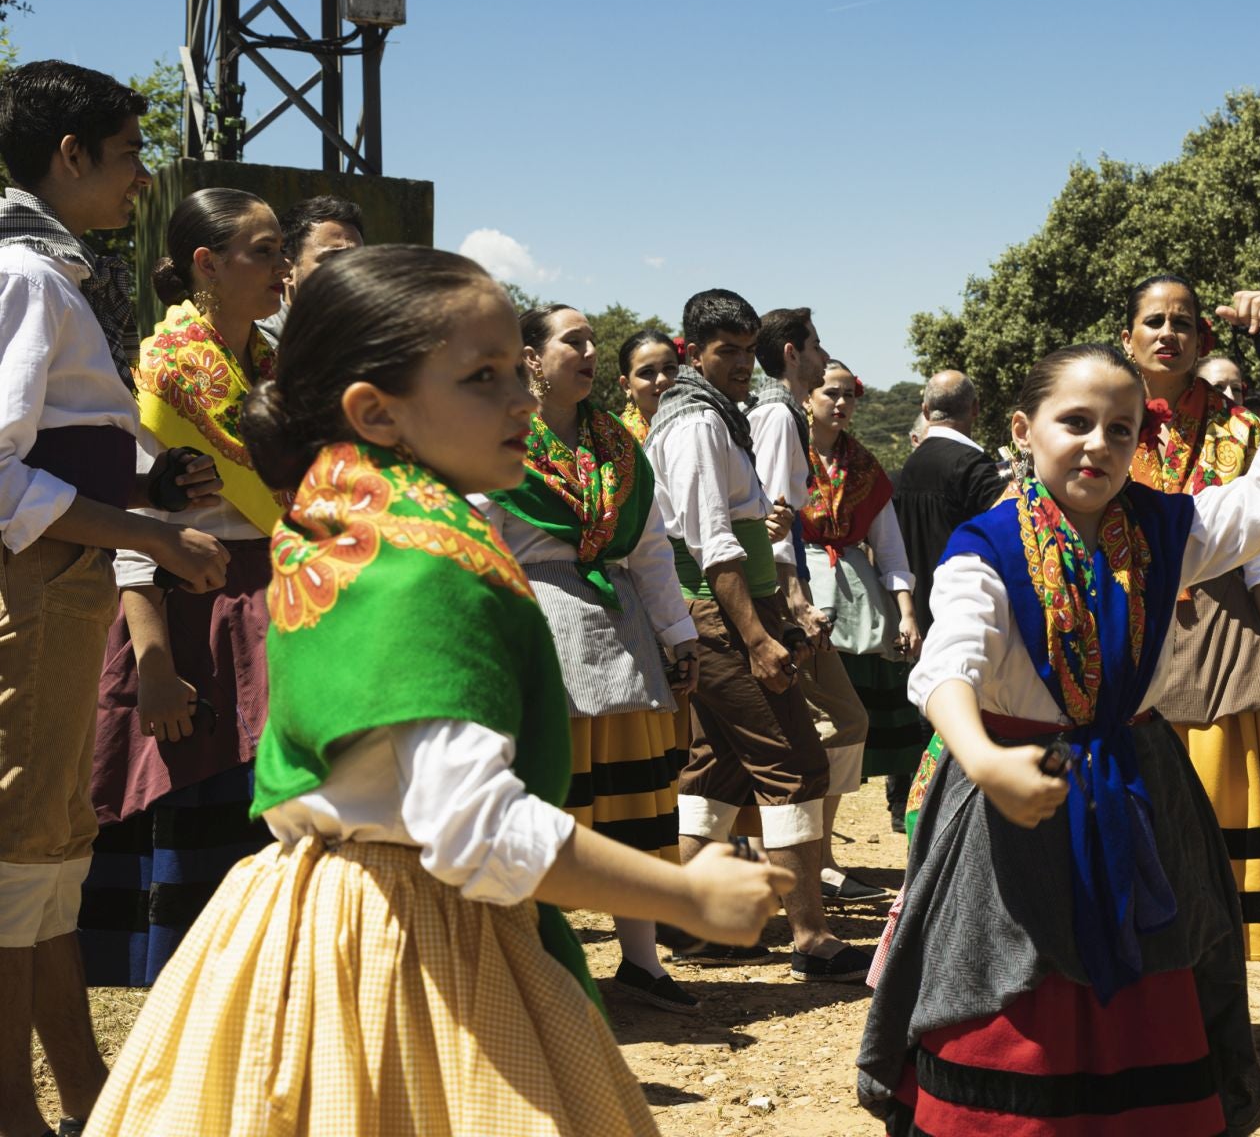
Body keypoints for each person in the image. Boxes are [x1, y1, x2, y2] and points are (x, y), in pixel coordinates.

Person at [85, 245, 793, 1134]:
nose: (523, 400)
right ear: (376, 412)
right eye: (483, 377)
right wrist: (683, 895)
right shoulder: (423, 563)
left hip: (314, 916)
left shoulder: (343, 520)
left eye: (517, 372)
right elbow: (472, 825)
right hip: (412, 935)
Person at [859, 288, 1260, 1137]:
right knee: (1016, 997)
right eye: (1075, 422)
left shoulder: (1166, 530)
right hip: (1011, 802)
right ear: (1022, 430)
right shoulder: (986, 548)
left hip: (1139, 793)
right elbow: (947, 666)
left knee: (1153, 995)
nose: (1098, 445)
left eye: (1121, 430)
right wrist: (986, 760)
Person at [0, 61, 231, 1137]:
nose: (143, 178)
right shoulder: (26, 276)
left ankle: (84, 1096)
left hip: (66, 583)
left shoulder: (57, 273)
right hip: (36, 589)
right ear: (70, 154)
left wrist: (148, 488)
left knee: (48, 854)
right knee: (17, 856)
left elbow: (65, 445)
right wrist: (146, 531)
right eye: (132, 153)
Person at [81, 190, 290, 989]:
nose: (281, 267)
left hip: (277, 605)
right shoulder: (160, 373)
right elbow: (134, 532)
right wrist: (156, 666)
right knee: (203, 827)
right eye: (264, 251)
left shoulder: (273, 368)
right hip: (196, 621)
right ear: (207, 264)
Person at [480, 303, 704, 1013]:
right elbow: (479, 538)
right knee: (552, 795)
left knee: (636, 798)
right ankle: (536, 965)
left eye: (591, 341)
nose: (588, 350)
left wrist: (678, 632)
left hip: (621, 629)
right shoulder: (500, 436)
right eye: (571, 340)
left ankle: (641, 962)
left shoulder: (618, 446)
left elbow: (650, 547)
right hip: (542, 625)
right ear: (531, 357)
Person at [649, 289, 868, 980]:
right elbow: (711, 544)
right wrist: (757, 636)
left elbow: (730, 525)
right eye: (728, 352)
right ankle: (811, 938)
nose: (743, 363)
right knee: (794, 764)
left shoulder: (715, 414)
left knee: (715, 767)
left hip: (726, 612)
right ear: (694, 353)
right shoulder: (696, 422)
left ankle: (693, 925)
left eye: (749, 350)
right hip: (722, 615)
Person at [1121, 273, 1260, 962]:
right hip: (1119, 639)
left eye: (1182, 322)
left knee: (1215, 820)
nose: (1168, 333)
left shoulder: (1239, 429)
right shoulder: (1102, 418)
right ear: (1127, 337)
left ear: (1202, 338)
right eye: (1154, 321)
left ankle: (1213, 976)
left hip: (1217, 642)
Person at [750, 307, 883, 904]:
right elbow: (776, 519)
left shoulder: (770, 411)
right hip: (779, 596)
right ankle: (811, 863)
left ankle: (799, 860)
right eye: (817, 345)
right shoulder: (778, 415)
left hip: (771, 590)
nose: (824, 355)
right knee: (839, 721)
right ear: (791, 352)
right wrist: (798, 602)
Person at [800, 360, 924, 850]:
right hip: (801, 592)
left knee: (845, 733)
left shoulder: (865, 468)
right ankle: (802, 849)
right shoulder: (783, 452)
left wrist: (907, 612)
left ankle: (822, 851)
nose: (841, 403)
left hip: (858, 606)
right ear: (806, 396)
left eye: (848, 394)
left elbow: (889, 548)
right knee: (809, 728)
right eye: (830, 393)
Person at [885, 370, 1003, 829]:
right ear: (975, 409)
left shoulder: (908, 468)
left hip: (914, 605)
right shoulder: (975, 468)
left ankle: (913, 810)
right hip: (965, 609)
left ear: (924, 409)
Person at [256, 194, 363, 347]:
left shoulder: (369, 330)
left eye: (359, 260)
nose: (352, 272)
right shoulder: (257, 339)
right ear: (288, 270)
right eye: (334, 259)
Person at [616, 327, 681, 441]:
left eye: (669, 368)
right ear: (626, 385)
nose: (662, 379)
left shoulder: (701, 424)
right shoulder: (615, 438)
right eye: (647, 372)